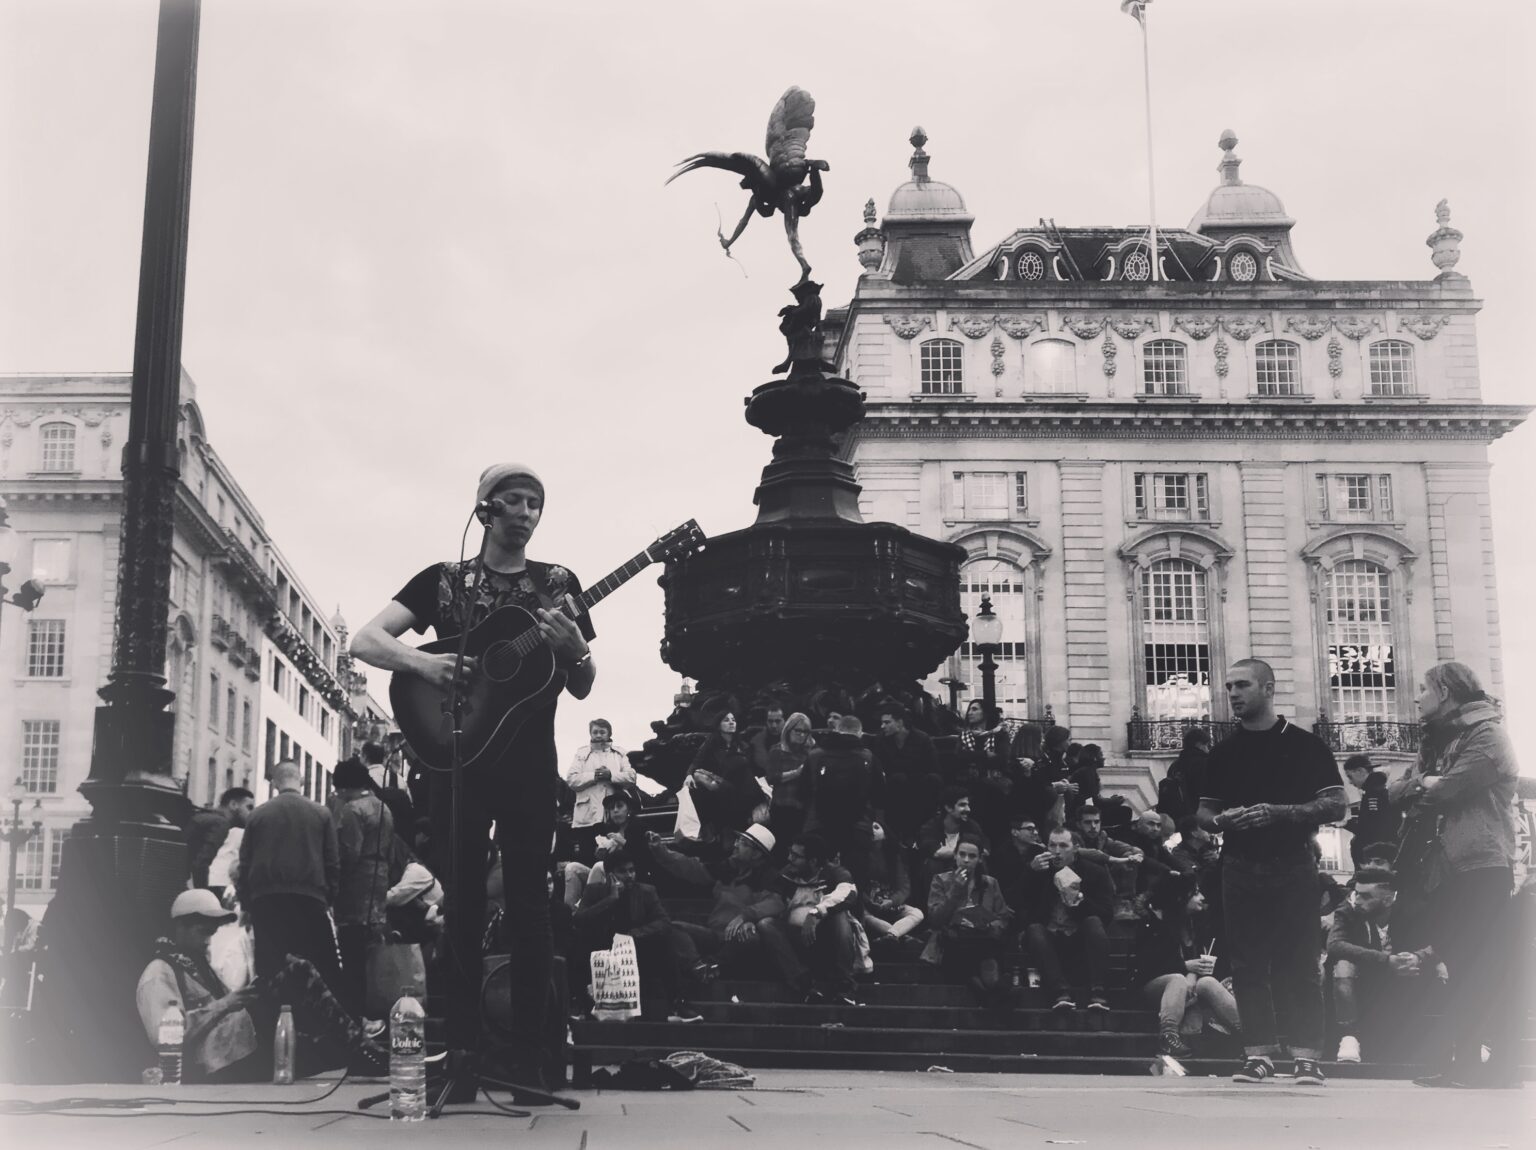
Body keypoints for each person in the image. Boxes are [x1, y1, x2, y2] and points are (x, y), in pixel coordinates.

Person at [349, 462, 596, 1090]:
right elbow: (366, 641)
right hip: (459, 763)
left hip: (532, 768)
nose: (527, 512)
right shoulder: (445, 581)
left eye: (536, 503)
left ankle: (528, 1059)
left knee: (530, 907)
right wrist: (425, 667)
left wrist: (575, 650)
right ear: (485, 510)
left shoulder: (558, 584)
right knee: (457, 905)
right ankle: (459, 1056)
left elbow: (584, 685)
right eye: (513, 501)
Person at [1198, 658, 1347, 1087]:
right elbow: (1203, 813)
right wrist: (1223, 821)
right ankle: (1257, 1055)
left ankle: (1306, 1057)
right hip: (1239, 865)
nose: (1233, 694)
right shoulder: (1223, 752)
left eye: (1242, 685)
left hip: (1294, 864)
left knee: (1300, 962)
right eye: (1228, 687)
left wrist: (1279, 813)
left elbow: (1336, 804)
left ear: (1268, 688)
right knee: (1246, 964)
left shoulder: (1305, 746)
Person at [1389, 661, 1521, 1089]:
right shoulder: (1438, 741)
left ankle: (1499, 1065)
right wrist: (1425, 782)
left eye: (1423, 689)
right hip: (1442, 868)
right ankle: (1462, 1061)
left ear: (1445, 691)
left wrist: (1423, 784)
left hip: (1482, 864)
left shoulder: (1488, 734)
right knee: (1458, 966)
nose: (1417, 698)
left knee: (1484, 966)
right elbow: (1395, 791)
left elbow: (1449, 788)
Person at [136, 889, 386, 1082]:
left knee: (331, 1050)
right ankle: (363, 1045)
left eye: (211, 934)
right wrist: (226, 1004)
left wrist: (248, 994)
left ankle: (362, 1051)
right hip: (216, 1064)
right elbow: (162, 1037)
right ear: (180, 927)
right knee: (299, 972)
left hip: (240, 1049)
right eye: (203, 932)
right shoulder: (159, 972)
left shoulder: (196, 965)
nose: (208, 941)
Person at [236, 761, 342, 989]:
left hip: (266, 901)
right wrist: (329, 898)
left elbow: (244, 862)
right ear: (301, 781)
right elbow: (333, 862)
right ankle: (313, 1020)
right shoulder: (321, 813)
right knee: (318, 966)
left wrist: (246, 902)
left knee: (271, 969)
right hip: (309, 900)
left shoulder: (257, 816)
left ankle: (272, 1020)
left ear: (274, 783)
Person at [571, 858, 701, 1023]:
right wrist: (610, 899)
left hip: (636, 947)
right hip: (603, 946)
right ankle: (579, 1002)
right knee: (578, 941)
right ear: (610, 875)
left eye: (631, 870)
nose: (629, 875)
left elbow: (663, 922)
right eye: (623, 872)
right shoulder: (594, 891)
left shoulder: (646, 891)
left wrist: (635, 934)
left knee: (666, 941)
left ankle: (677, 1004)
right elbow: (579, 920)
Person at [1134, 871, 1239, 1062]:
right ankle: (1168, 1035)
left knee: (1207, 981)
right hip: (1155, 986)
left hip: (1190, 987)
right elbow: (1146, 966)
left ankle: (1248, 1034)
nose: (1202, 897)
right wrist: (1185, 967)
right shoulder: (1153, 923)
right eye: (1196, 893)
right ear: (1181, 897)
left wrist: (1194, 973)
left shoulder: (1198, 923)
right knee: (1177, 979)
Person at [1326, 868, 1427, 1064]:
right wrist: (1385, 960)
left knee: (1444, 965)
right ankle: (1349, 1036)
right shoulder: (1348, 910)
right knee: (1343, 965)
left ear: (1388, 900)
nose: (1357, 900)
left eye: (1365, 896)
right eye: (1356, 893)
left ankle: (1460, 1038)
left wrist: (1418, 956)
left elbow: (1442, 940)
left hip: (1408, 971)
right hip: (1367, 972)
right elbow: (1335, 945)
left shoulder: (1413, 909)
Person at [329, 755, 398, 1019]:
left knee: (352, 954)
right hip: (378, 884)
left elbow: (348, 854)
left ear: (345, 787)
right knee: (371, 952)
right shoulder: (383, 808)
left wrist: (334, 884)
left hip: (356, 888)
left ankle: (354, 1013)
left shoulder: (353, 810)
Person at [1020, 826, 1115, 1011]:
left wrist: (1080, 901)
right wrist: (1031, 872)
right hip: (1050, 939)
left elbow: (1107, 915)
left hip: (1080, 940)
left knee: (1094, 922)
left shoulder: (1095, 872)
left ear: (1076, 848)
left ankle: (1098, 990)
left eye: (1063, 845)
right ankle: (1060, 992)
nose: (1056, 851)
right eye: (1052, 845)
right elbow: (1019, 903)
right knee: (1034, 930)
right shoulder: (1038, 870)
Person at [923, 835, 1012, 1005]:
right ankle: (994, 991)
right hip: (954, 941)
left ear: (979, 859)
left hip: (983, 937)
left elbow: (1003, 918)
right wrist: (955, 890)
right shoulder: (940, 880)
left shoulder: (990, 883)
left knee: (987, 947)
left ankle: (984, 990)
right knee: (961, 946)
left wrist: (989, 924)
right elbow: (935, 919)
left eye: (972, 856)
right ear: (955, 856)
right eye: (962, 854)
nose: (966, 860)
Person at [778, 834, 864, 1006]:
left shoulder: (834, 872)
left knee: (840, 915)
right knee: (766, 925)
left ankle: (845, 985)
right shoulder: (786, 874)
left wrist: (816, 912)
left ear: (813, 861)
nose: (790, 859)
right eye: (790, 853)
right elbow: (771, 901)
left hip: (826, 939)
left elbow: (847, 893)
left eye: (796, 856)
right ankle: (803, 981)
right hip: (795, 939)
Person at [805, 714, 879, 893]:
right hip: (857, 828)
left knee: (820, 884)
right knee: (856, 883)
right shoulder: (867, 757)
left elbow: (804, 792)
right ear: (860, 733)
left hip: (820, 826)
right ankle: (857, 917)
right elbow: (879, 795)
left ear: (836, 731)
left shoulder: (815, 755)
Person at [689, 710, 766, 840]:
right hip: (723, 791)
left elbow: (754, 770)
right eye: (726, 720)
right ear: (718, 725)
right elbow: (696, 763)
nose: (731, 722)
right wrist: (689, 776)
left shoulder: (743, 746)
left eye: (733, 720)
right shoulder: (711, 744)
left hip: (742, 791)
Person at [875, 701, 938, 839]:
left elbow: (932, 766)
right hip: (894, 789)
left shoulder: (922, 739)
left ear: (900, 722)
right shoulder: (882, 741)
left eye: (887, 722)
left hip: (919, 787)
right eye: (882, 722)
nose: (882, 726)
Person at [565, 718, 635, 834]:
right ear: (590, 734)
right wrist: (594, 776)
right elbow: (571, 779)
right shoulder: (581, 754)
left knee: (613, 850)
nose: (598, 735)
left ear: (609, 734)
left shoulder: (620, 754)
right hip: (587, 818)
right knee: (587, 851)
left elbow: (631, 777)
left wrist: (611, 776)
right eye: (595, 732)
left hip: (612, 817)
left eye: (602, 732)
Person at [916, 788, 991, 896]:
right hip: (939, 878)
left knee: (980, 861)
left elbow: (984, 850)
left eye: (968, 805)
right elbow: (936, 852)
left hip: (968, 875)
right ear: (948, 808)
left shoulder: (971, 826)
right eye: (962, 805)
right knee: (933, 863)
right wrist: (967, 851)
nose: (968, 809)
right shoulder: (931, 827)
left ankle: (980, 900)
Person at [765, 712, 817, 864]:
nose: (801, 735)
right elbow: (771, 777)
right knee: (781, 848)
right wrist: (797, 773)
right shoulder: (777, 750)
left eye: (805, 731)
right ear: (788, 730)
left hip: (803, 808)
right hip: (782, 806)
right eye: (798, 731)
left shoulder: (811, 752)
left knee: (799, 849)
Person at [186, 787, 255, 894]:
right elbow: (202, 862)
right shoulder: (220, 824)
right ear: (233, 805)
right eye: (249, 807)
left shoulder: (206, 817)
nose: (251, 813)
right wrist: (204, 894)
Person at [1342, 755, 1400, 869]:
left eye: (1350, 776)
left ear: (1360, 771)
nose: (1349, 782)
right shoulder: (1373, 790)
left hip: (1374, 857)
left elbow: (1371, 829)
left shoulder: (1373, 793)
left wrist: (1346, 824)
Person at [1157, 728, 1211, 824]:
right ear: (1198, 744)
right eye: (1206, 745)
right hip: (1197, 816)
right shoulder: (1204, 763)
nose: (1208, 749)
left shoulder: (1175, 765)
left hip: (1177, 818)